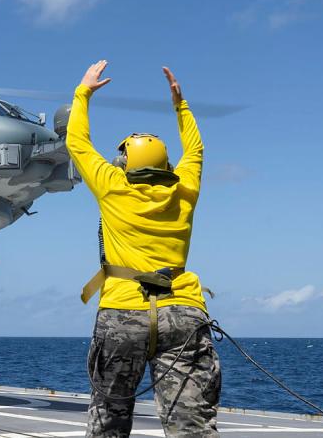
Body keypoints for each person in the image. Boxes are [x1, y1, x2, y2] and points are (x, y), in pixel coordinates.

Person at [66, 60, 221, 437]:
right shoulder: (185, 190)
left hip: (123, 314)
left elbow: (77, 142)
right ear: (166, 165)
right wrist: (180, 106)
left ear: (124, 164)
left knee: (109, 422)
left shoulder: (112, 186)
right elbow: (196, 150)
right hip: (182, 313)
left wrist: (82, 92)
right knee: (192, 427)